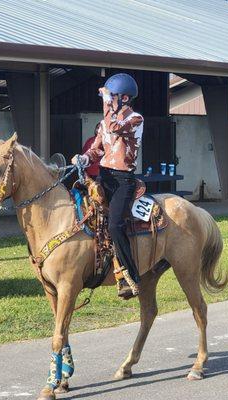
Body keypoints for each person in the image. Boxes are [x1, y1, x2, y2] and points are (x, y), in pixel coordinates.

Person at [71, 73, 144, 299]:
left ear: (124, 98)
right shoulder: (105, 122)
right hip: (105, 177)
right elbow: (97, 149)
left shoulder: (135, 119)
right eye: (108, 96)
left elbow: (113, 126)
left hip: (124, 181)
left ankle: (131, 277)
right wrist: (84, 158)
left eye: (112, 96)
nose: (108, 99)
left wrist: (105, 100)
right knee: (86, 212)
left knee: (114, 226)